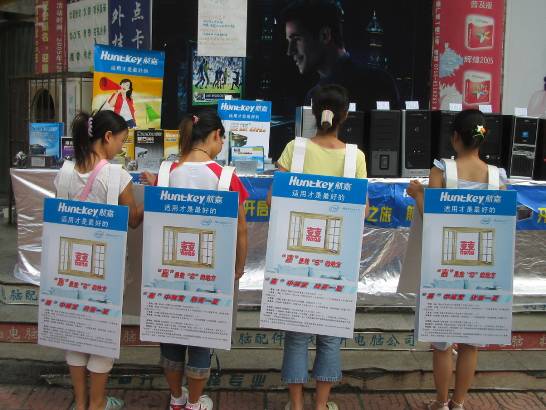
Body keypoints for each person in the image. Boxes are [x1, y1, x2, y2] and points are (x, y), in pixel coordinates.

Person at [142, 110, 248, 410]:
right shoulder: (225, 177)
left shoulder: (166, 173)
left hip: (167, 270)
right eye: (222, 139)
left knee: (171, 334)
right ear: (215, 135)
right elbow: (241, 229)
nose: (222, 145)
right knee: (202, 335)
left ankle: (176, 398)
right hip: (209, 273)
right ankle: (194, 402)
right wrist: (239, 267)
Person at [406, 109, 508, 410]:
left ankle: (441, 402)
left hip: (444, 268)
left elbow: (432, 215)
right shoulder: (497, 177)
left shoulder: (441, 170)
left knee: (442, 343)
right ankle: (459, 403)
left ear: (454, 138)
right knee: (470, 343)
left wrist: (417, 194)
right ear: (482, 139)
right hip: (480, 270)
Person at [274, 84, 367, 410]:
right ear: (345, 115)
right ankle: (321, 405)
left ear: (313, 112)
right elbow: (362, 209)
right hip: (336, 258)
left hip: (296, 256)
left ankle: (296, 405)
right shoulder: (355, 157)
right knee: (330, 333)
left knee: (297, 335)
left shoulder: (294, 149)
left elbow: (274, 199)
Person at [55, 110, 144, 410]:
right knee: (102, 332)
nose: (121, 147)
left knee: (75, 330)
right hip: (105, 268)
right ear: (107, 137)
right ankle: (98, 402)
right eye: (121, 140)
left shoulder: (65, 171)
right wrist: (153, 196)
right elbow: (133, 220)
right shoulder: (116, 175)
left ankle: (81, 403)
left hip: (70, 264)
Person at [280, 0, 400, 111]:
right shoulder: (312, 96)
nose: (289, 51)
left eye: (297, 39)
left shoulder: (379, 83)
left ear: (325, 36)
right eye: (288, 41)